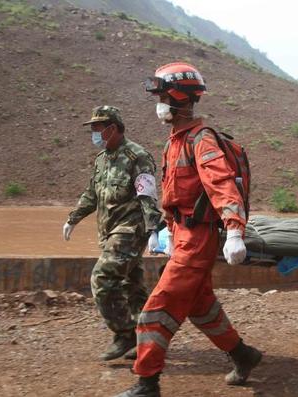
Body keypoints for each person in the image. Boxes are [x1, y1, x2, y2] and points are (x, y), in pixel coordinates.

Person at [114, 62, 261, 397]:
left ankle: (147, 383)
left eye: (162, 96)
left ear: (179, 98)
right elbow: (175, 195)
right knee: (200, 305)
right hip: (182, 235)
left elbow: (222, 184)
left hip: (199, 238)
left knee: (158, 307)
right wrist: (165, 231)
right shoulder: (174, 142)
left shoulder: (202, 140)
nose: (159, 103)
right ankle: (243, 354)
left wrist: (235, 230)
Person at [63, 105, 161, 361]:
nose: (94, 133)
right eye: (93, 129)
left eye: (98, 128)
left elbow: (147, 194)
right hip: (109, 232)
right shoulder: (102, 159)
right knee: (133, 286)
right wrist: (73, 219)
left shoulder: (137, 156)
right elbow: (91, 194)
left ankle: (125, 333)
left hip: (131, 230)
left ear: (113, 128)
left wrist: (153, 229)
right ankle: (147, 340)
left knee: (103, 279)